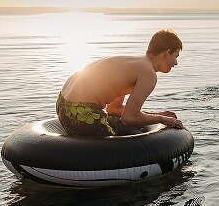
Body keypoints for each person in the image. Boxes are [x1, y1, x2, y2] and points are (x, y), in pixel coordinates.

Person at [56, 29, 184, 136]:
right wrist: (162, 119)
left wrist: (154, 114)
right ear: (167, 53)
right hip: (81, 112)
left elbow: (113, 109)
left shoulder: (134, 64)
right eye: (176, 56)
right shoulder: (149, 74)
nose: (176, 63)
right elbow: (129, 118)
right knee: (115, 144)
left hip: (62, 104)